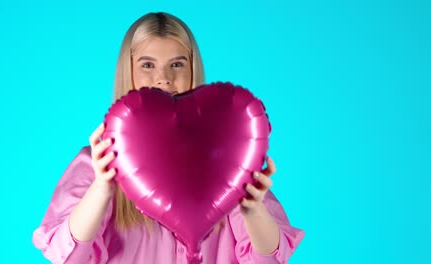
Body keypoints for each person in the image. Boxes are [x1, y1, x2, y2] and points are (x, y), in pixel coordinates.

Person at [32, 12, 304, 264]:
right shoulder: (94, 165)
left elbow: (268, 259)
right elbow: (67, 256)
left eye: (177, 64)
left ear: (193, 69)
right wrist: (102, 188)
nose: (163, 78)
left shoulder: (229, 159)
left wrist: (253, 209)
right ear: (128, 71)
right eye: (147, 64)